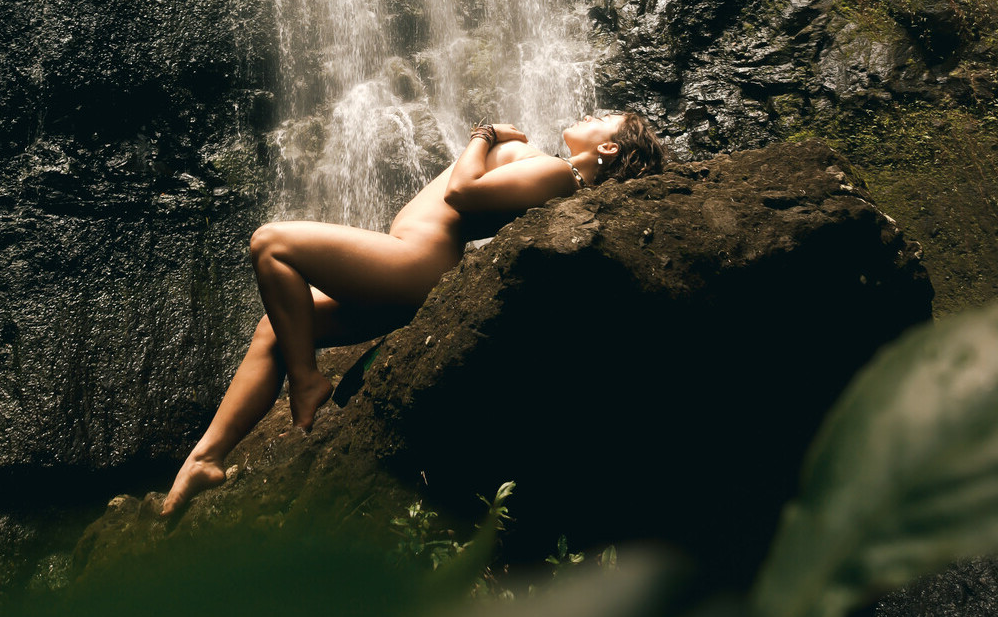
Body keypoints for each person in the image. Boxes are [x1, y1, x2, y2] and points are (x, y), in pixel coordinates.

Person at [161, 109, 665, 515]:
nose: (591, 112)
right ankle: (206, 458)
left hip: (415, 267)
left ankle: (306, 380)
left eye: (605, 116)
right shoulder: (555, 171)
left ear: (609, 148)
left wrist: (485, 134)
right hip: (403, 268)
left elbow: (460, 193)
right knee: (276, 326)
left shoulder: (562, 170)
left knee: (271, 243)